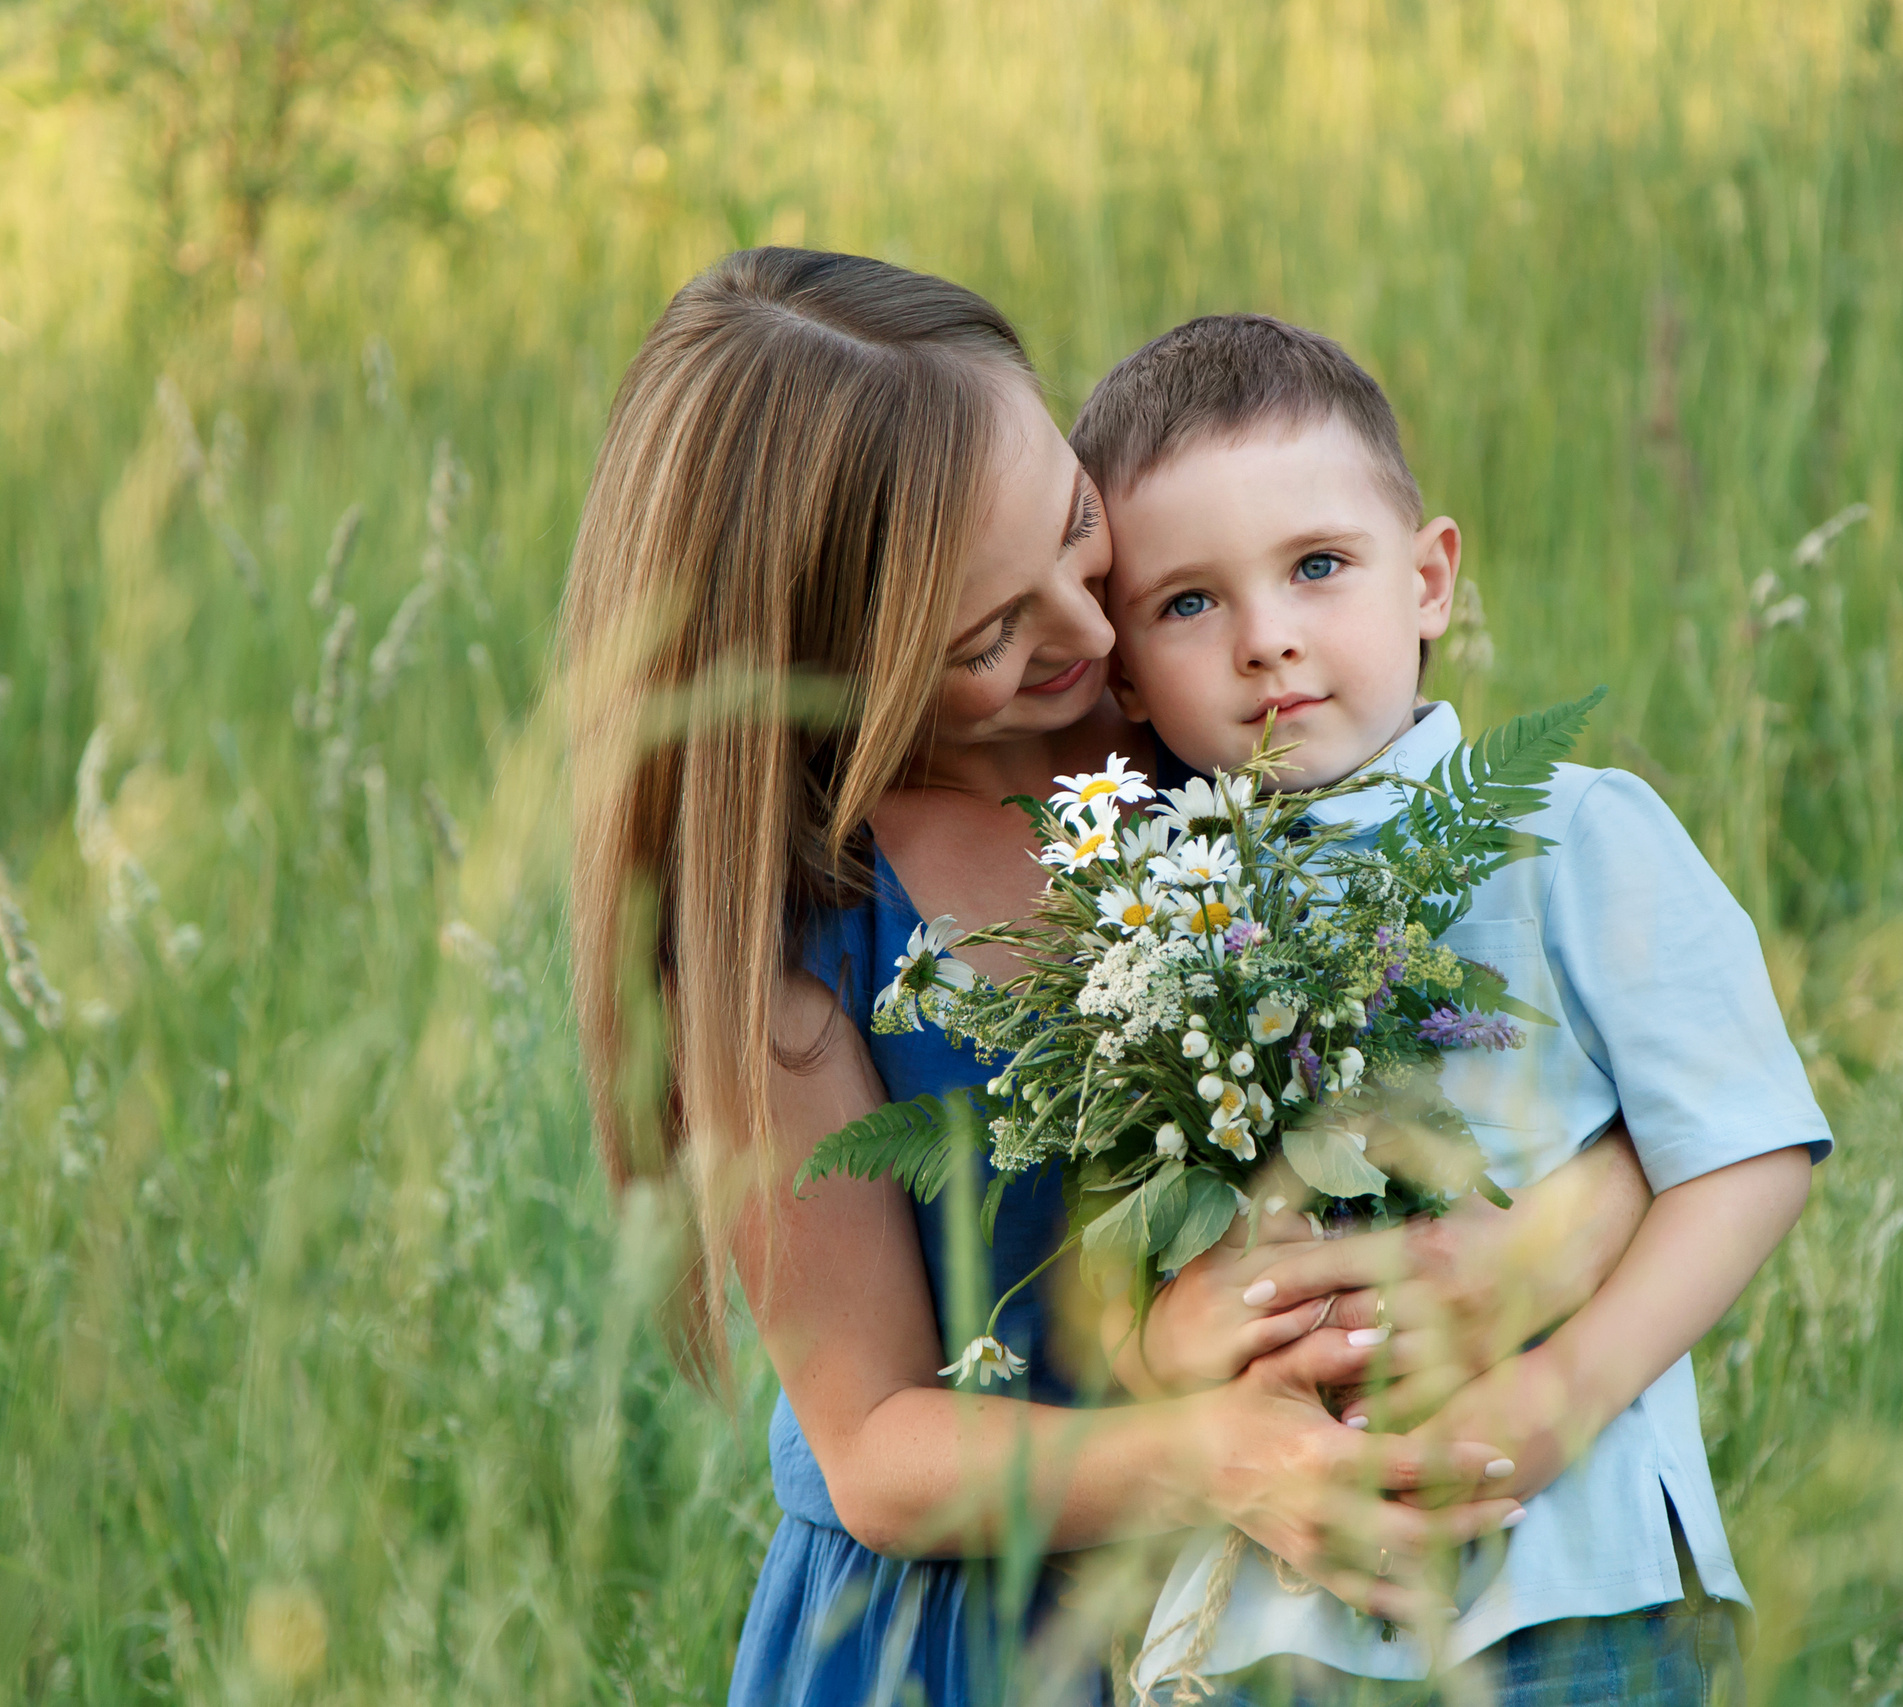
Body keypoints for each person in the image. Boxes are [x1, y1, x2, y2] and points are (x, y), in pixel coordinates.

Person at [554, 249, 1660, 1707]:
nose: (1092, 637)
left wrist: (1537, 1253)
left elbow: (1578, 1066)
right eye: (986, 639)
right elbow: (877, 1445)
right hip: (975, 1639)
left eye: (1075, 527)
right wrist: (1216, 1457)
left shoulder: (1219, 715)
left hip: (1293, 1625)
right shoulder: (794, 945)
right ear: (821, 668)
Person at [1070, 313, 1835, 1702]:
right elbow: (1112, 1237)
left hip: (1572, 1575)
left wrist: (1562, 1393)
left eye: (1318, 567)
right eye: (1190, 603)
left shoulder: (1573, 832)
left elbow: (1746, 1145)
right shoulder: (1139, 920)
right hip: (1271, 1622)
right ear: (1122, 669)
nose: (1267, 642)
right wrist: (1160, 1341)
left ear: (1428, 580)